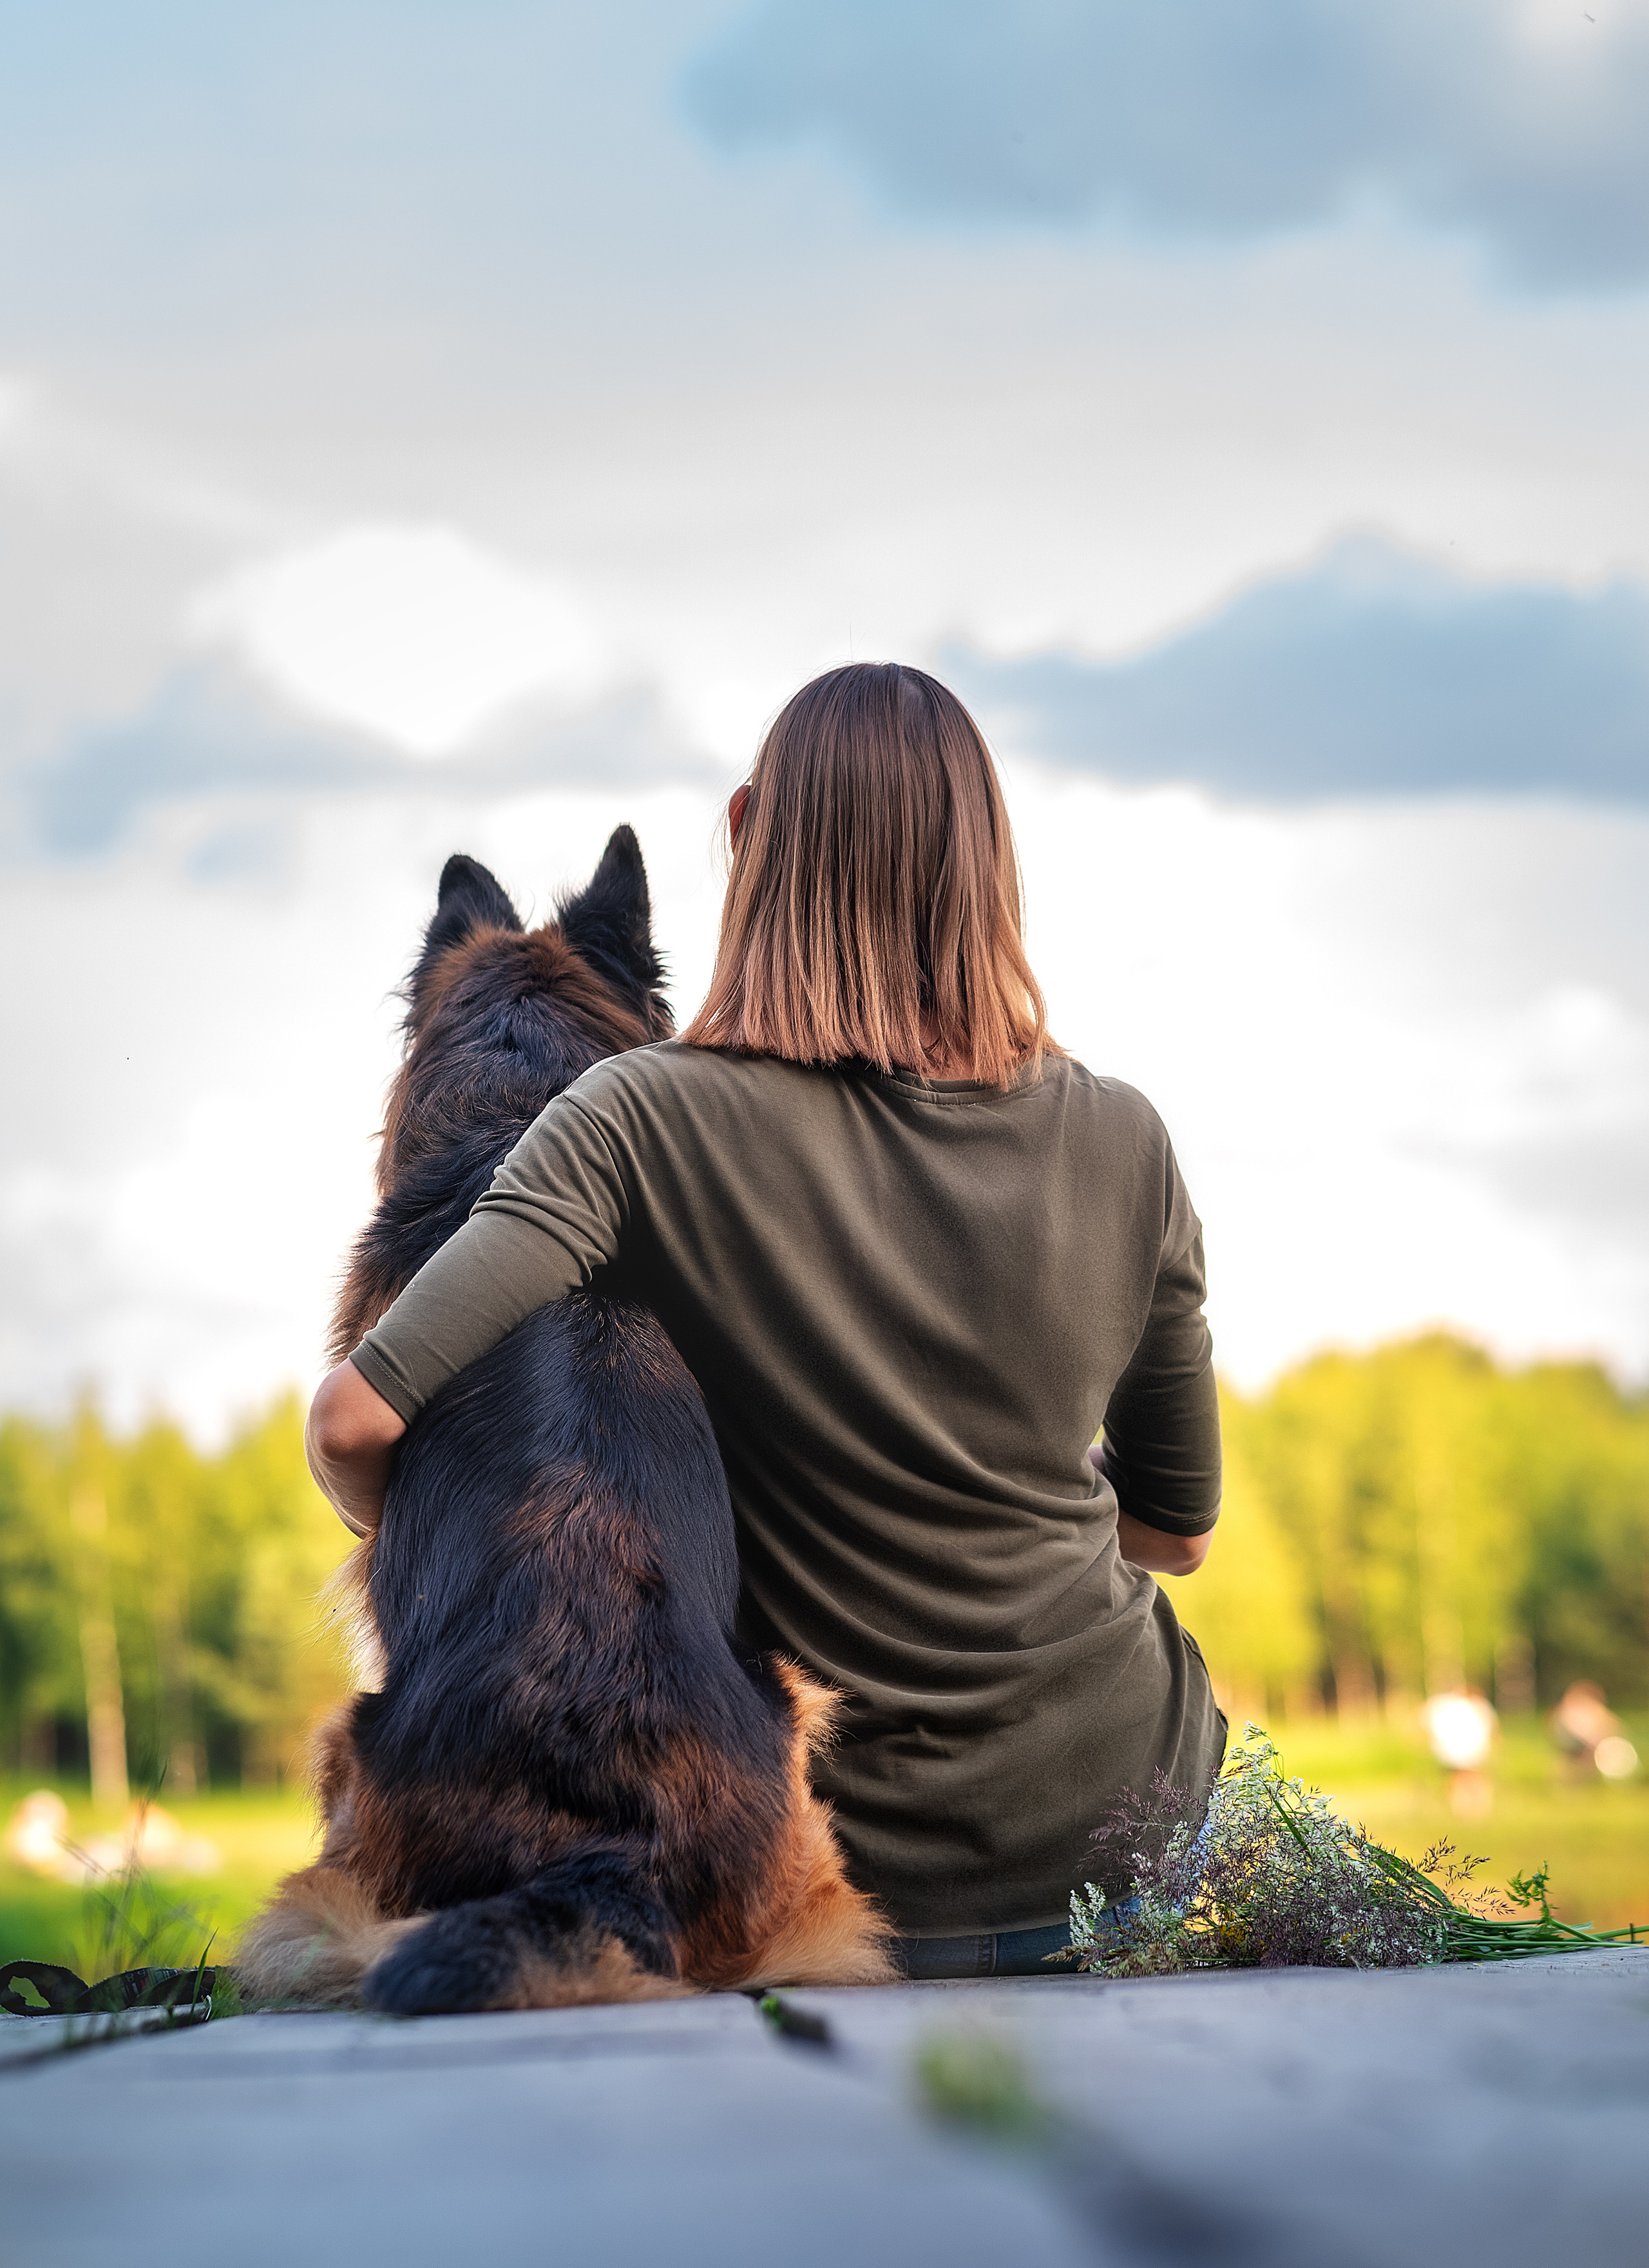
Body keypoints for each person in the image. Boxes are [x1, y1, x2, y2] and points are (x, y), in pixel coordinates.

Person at [307, 663, 1224, 1977]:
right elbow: (1176, 1533)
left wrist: (394, 1523)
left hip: (839, 1868)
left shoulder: (640, 1116)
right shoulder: (1127, 1136)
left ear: (744, 833)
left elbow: (357, 1411)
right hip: (1129, 1843)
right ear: (990, 864)